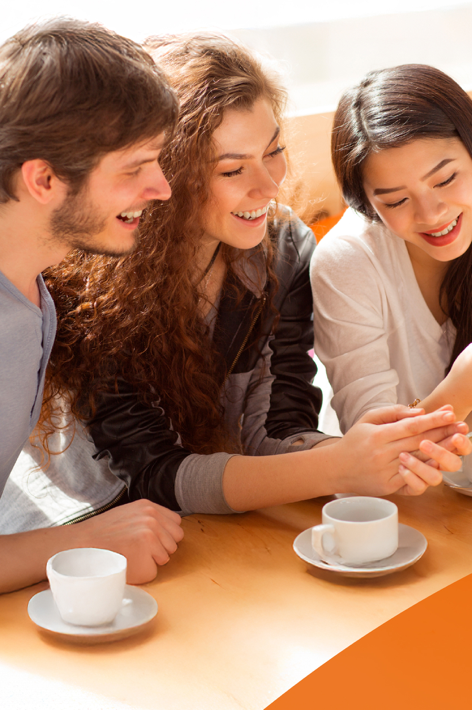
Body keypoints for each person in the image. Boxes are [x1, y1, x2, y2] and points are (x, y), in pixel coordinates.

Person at [46, 38, 470, 514]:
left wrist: (362, 458)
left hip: (216, 521)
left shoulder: (283, 251)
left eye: (273, 150)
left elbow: (275, 431)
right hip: (87, 524)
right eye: (232, 170)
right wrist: (342, 465)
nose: (269, 186)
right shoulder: (100, 286)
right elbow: (151, 472)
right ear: (168, 176)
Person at [0, 17, 184, 594]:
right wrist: (83, 541)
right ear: (44, 179)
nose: (162, 188)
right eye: (133, 168)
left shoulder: (32, 294)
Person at [311, 62, 472, 434]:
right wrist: (459, 389)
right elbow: (369, 444)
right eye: (397, 201)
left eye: (446, 179)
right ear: (366, 205)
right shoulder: (349, 260)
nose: (431, 214)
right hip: (386, 492)